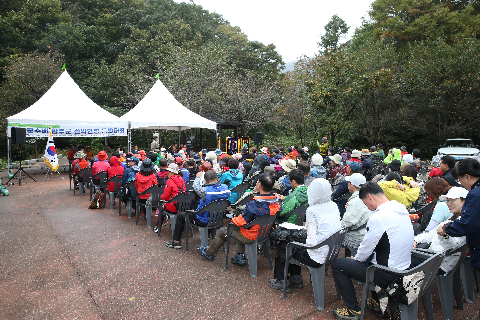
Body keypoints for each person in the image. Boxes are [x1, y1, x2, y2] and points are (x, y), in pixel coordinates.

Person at [332, 182, 414, 319]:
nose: (368, 208)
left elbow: (366, 247)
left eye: (365, 204)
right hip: (404, 267)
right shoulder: (400, 209)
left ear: (370, 198)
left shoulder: (379, 217)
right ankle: (376, 301)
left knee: (339, 265)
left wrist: (357, 259)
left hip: (388, 274)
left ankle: (353, 310)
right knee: (375, 256)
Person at [269, 178, 341, 291]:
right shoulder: (333, 205)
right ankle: (296, 278)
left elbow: (310, 242)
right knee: (293, 243)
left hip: (317, 256)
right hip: (331, 252)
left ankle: (281, 281)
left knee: (284, 245)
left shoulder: (312, 210)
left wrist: (293, 235)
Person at [197, 173, 280, 263]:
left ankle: (209, 252)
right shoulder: (276, 201)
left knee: (224, 231)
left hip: (251, 235)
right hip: (264, 232)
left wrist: (233, 219)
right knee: (240, 227)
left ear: (259, 185)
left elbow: (240, 222)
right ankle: (240, 255)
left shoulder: (255, 204)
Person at [437, 158, 480, 309]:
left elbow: (468, 224)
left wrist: (447, 228)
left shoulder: (475, 194)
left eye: (460, 178)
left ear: (467, 176)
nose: (459, 182)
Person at [166, 170, 231, 249]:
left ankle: (176, 241)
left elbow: (196, 186)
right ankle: (208, 234)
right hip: (217, 218)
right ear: (217, 179)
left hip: (202, 220)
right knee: (209, 210)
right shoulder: (226, 189)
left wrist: (198, 177)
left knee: (180, 215)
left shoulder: (205, 192)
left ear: (206, 181)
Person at [413, 187, 468, 274]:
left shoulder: (463, 222)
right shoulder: (454, 219)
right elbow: (431, 234)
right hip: (434, 259)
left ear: (464, 201)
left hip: (438, 264)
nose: (449, 203)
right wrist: (416, 240)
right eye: (447, 200)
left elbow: (453, 247)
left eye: (452, 200)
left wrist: (444, 235)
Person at [341, 173, 372, 257]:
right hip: (366, 232)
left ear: (352, 185)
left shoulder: (356, 201)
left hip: (357, 237)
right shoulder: (368, 196)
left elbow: (346, 223)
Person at [154, 163, 186, 233]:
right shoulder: (182, 180)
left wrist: (161, 196)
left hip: (173, 207)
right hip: (182, 206)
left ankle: (157, 226)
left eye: (169, 171)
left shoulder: (169, 181)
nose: (167, 172)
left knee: (161, 207)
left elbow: (165, 197)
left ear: (173, 172)